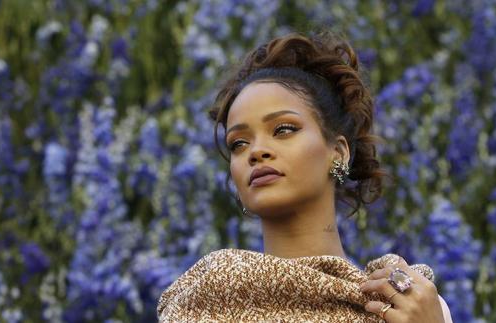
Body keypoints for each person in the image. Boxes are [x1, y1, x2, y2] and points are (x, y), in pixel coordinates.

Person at [157, 31, 453, 322]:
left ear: (338, 152)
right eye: (239, 143)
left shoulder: (409, 303)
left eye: (283, 129)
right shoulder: (203, 303)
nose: (256, 151)